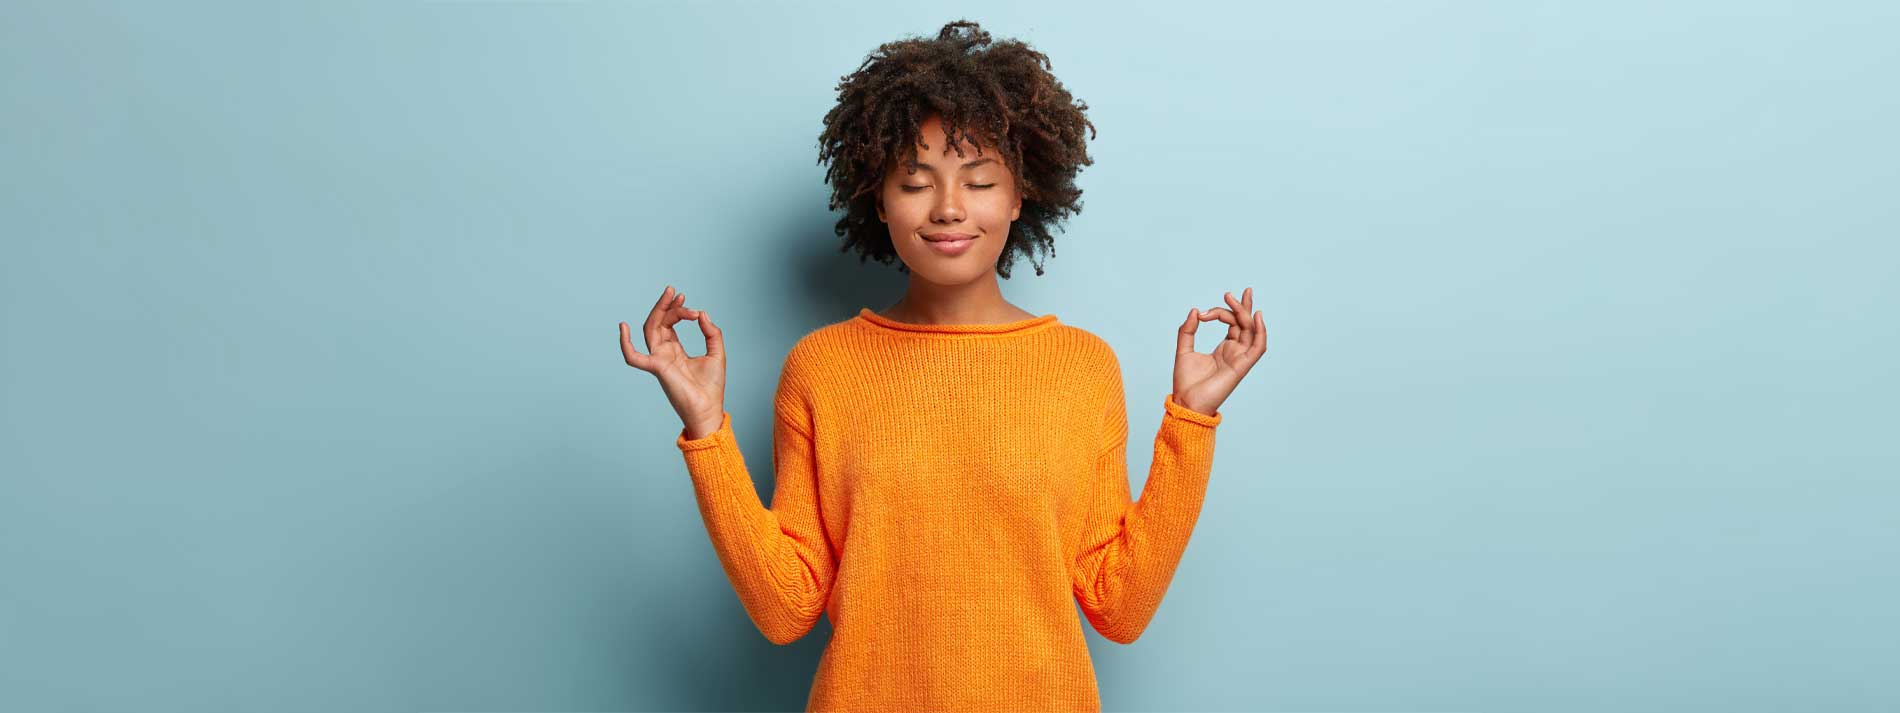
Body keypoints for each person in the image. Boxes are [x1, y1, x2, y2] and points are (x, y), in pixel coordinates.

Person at [618, 19, 1266, 712]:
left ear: (1020, 195)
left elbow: (1120, 605)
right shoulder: (822, 368)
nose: (950, 208)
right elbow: (785, 608)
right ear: (879, 198)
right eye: (915, 181)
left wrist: (1192, 422)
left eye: (980, 180)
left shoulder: (1082, 368)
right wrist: (707, 430)